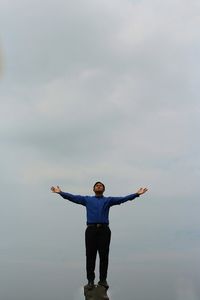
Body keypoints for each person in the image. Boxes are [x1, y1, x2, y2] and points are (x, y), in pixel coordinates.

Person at [51, 182, 148, 289]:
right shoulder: (87, 200)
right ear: (93, 189)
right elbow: (73, 197)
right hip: (91, 230)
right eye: (97, 185)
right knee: (90, 256)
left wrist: (136, 194)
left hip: (104, 230)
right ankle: (90, 281)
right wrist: (60, 192)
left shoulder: (108, 200)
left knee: (104, 256)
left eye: (101, 185)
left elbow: (123, 199)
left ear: (103, 189)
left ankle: (103, 280)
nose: (98, 186)